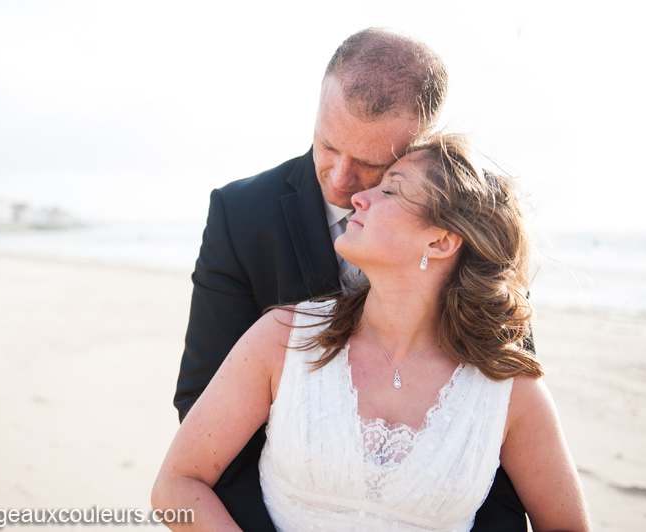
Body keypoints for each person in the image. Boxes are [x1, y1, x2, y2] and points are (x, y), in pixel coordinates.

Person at [173, 28, 526, 531]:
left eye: (371, 165)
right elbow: (200, 402)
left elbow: (496, 415)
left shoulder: (476, 226)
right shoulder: (240, 214)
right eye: (327, 145)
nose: (340, 180)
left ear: (422, 142)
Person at [154, 132, 590, 531]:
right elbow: (176, 485)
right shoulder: (286, 336)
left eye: (389, 189)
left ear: (440, 242)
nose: (359, 198)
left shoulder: (510, 391)